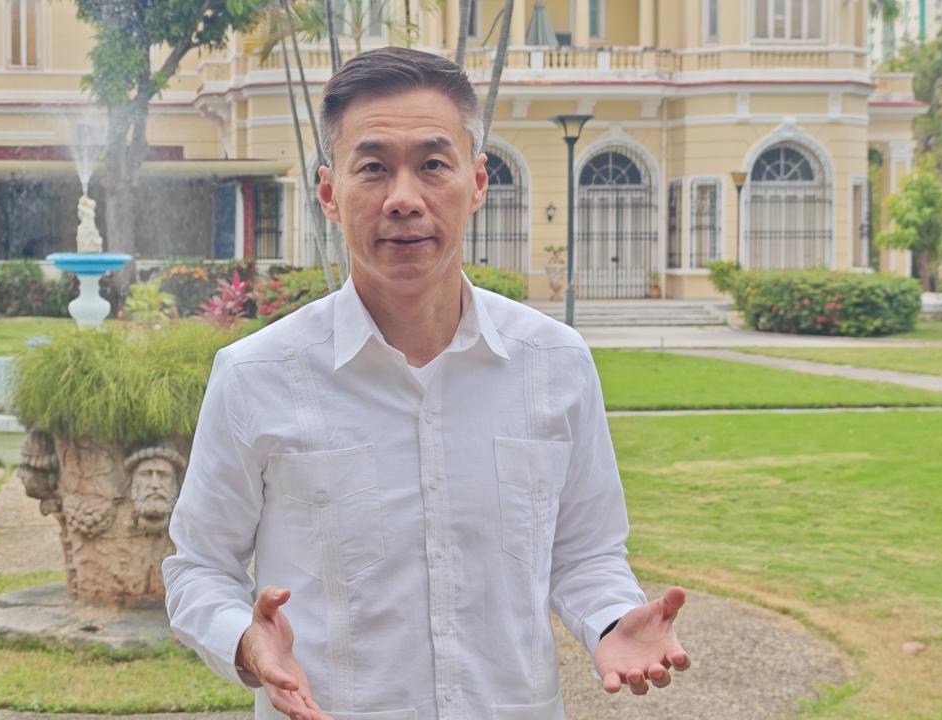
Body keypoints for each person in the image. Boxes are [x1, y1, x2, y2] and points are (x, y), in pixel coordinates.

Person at [163, 46, 691, 720]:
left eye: (433, 165)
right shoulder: (257, 376)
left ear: (476, 183)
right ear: (330, 193)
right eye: (374, 168)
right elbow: (197, 566)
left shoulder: (554, 364)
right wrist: (243, 639)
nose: (404, 199)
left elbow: (585, 550)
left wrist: (614, 620)